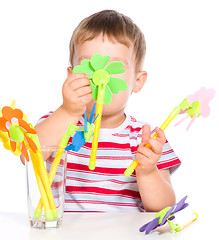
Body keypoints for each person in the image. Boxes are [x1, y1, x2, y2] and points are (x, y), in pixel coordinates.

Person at [21, 10, 181, 212]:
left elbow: (164, 207)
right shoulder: (58, 122)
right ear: (71, 75)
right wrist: (69, 112)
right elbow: (27, 156)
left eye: (115, 67)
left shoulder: (146, 138)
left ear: (137, 81)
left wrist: (147, 172)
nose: (100, 75)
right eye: (90, 65)